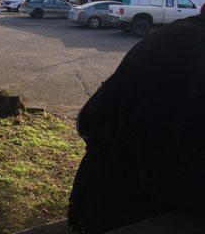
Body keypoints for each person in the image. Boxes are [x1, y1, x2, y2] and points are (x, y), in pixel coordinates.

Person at [69, 13, 205, 234]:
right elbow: (165, 173)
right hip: (124, 210)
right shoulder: (187, 49)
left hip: (118, 194)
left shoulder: (178, 35)